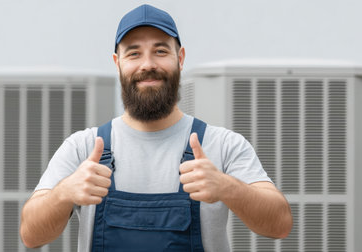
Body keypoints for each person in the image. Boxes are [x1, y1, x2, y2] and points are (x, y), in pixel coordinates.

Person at [20, 4, 292, 251]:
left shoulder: (223, 146)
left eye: (160, 51)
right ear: (118, 64)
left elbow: (280, 224)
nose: (147, 64)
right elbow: (30, 235)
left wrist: (227, 187)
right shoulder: (83, 148)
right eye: (134, 53)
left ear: (180, 58)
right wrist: (65, 192)